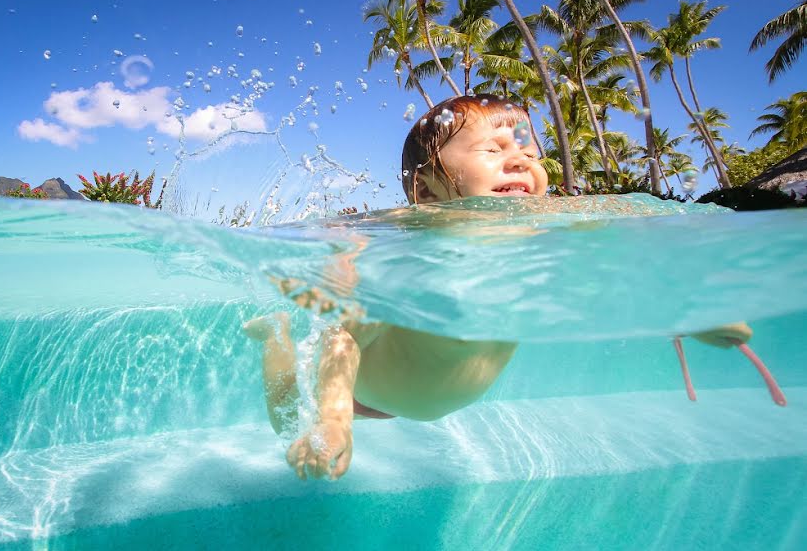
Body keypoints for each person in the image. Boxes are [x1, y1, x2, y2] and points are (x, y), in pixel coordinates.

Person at [245, 94, 785, 482]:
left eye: (528, 148)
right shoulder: (408, 236)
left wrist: (682, 309)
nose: (521, 157)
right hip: (365, 392)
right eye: (493, 148)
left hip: (426, 394)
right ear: (429, 186)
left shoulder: (548, 235)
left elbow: (604, 272)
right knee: (286, 416)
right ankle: (275, 338)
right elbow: (342, 338)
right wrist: (336, 424)